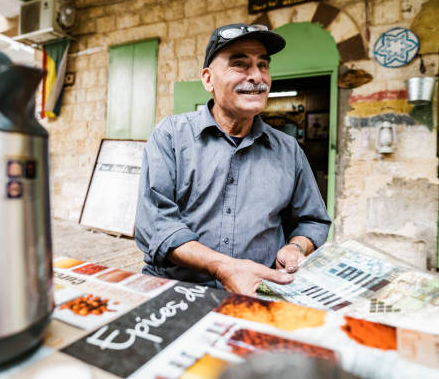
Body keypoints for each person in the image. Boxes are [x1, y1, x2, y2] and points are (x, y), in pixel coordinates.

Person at [135, 23, 331, 296]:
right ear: (208, 79)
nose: (256, 76)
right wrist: (224, 267)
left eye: (263, 65)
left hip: (259, 293)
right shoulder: (171, 136)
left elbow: (312, 220)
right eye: (240, 65)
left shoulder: (288, 149)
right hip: (178, 292)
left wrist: (296, 247)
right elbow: (157, 226)